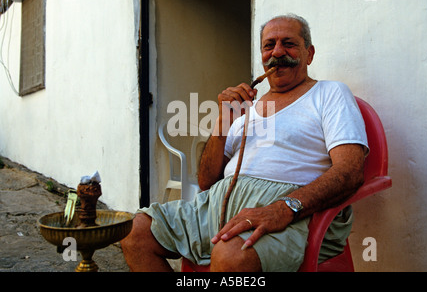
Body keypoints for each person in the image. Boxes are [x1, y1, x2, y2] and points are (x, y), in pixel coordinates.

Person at [121, 14, 368, 272]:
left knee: (231, 257)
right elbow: (207, 181)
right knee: (135, 231)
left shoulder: (330, 94)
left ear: (309, 53)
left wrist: (284, 208)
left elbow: (350, 171)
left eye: (289, 43)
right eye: (269, 45)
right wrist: (223, 121)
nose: (278, 52)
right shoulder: (246, 109)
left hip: (293, 214)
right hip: (218, 208)